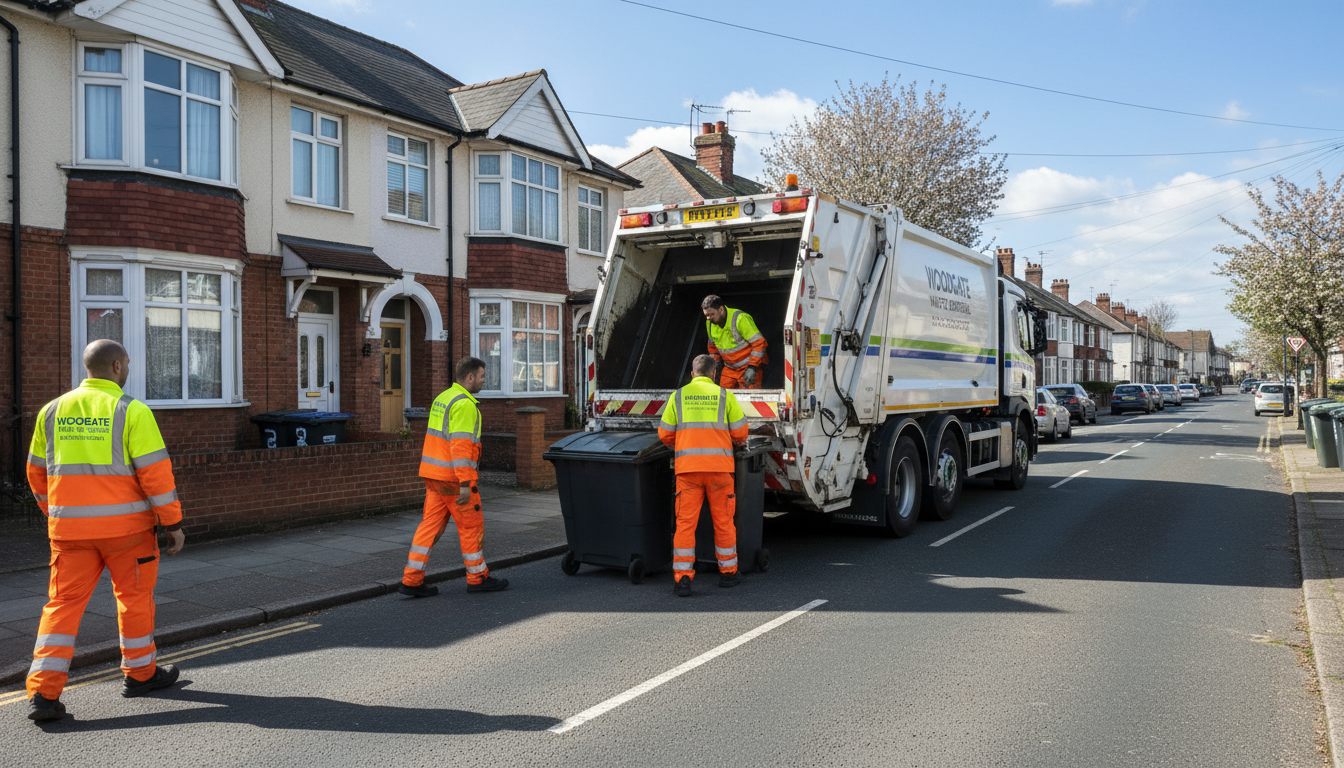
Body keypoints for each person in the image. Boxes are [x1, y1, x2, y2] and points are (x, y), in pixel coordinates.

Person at [25, 339, 185, 722]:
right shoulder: (131, 410)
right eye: (127, 363)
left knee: (61, 608)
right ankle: (141, 674)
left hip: (69, 533)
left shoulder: (51, 411)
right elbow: (156, 476)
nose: (128, 369)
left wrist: (56, 513)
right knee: (133, 601)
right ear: (116, 366)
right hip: (127, 533)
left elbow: (35, 473)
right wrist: (173, 523)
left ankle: (44, 695)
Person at [399, 357, 508, 596]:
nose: (483, 380)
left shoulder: (443, 398)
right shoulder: (465, 404)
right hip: (454, 479)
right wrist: (466, 483)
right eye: (481, 376)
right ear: (470, 377)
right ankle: (478, 578)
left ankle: (411, 579)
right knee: (471, 526)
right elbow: (460, 448)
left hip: (433, 475)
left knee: (429, 526)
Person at [658, 354, 749, 597]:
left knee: (685, 525)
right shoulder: (725, 396)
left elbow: (665, 434)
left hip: (688, 471)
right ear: (713, 374)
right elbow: (741, 432)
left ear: (692, 374)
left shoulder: (678, 396)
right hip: (720, 470)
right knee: (723, 522)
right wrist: (734, 441)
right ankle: (728, 573)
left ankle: (683, 578)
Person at [702, 295, 768, 389]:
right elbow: (713, 350)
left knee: (749, 399)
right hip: (730, 368)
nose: (708, 318)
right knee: (723, 396)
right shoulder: (710, 323)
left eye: (711, 314)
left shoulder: (740, 319)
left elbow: (759, 344)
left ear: (721, 309)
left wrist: (752, 368)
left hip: (748, 366)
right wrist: (712, 372)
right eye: (706, 315)